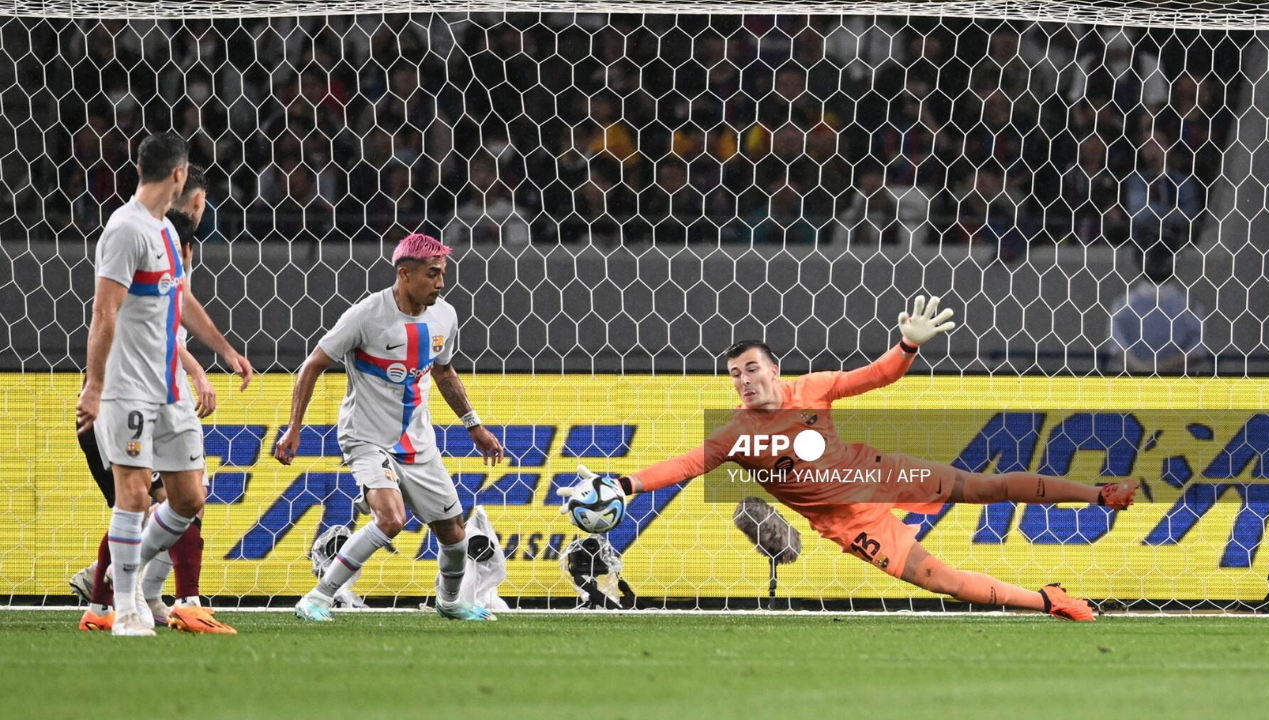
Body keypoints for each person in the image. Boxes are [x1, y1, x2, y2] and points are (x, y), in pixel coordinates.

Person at [560, 297, 1138, 621]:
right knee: (940, 581)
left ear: (774, 370)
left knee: (983, 487)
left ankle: (1100, 494)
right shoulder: (735, 434)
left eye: (752, 369)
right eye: (735, 375)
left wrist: (907, 343)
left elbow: (877, 376)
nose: (743, 381)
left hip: (875, 473)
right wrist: (624, 481)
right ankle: (1048, 601)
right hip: (846, 522)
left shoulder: (813, 388)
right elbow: (683, 466)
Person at [274, 233, 505, 622]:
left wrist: (474, 425)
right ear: (405, 274)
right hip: (365, 438)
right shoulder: (366, 315)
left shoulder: (444, 316)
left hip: (418, 443)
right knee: (390, 519)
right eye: (432, 274)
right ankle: (317, 597)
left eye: (443, 274)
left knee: (453, 534)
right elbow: (313, 364)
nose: (441, 283)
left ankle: (449, 601)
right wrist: (294, 427)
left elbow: (445, 372)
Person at [76, 133, 254, 637]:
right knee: (132, 495)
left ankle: (114, 577)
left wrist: (222, 349)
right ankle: (128, 608)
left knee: (189, 498)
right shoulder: (124, 229)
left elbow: (182, 303)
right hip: (127, 387)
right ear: (179, 175)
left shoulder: (168, 235)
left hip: (169, 388)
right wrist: (94, 386)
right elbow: (104, 312)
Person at [1110, 243, 1207, 374]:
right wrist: (1155, 370)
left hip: (1141, 384)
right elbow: (1118, 348)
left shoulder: (1122, 304)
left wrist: (1146, 371)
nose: (1158, 264)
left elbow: (1197, 350)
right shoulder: (1123, 304)